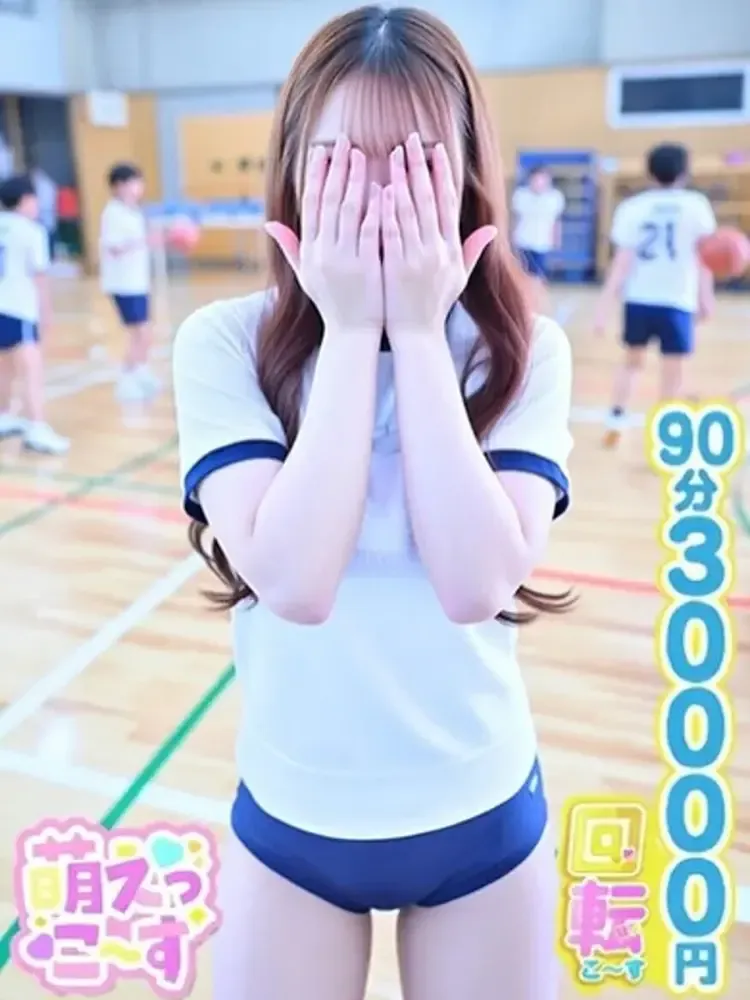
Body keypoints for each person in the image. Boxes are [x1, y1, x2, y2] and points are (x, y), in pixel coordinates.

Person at [173, 7, 574, 1000]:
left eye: (417, 165)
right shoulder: (224, 343)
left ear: (466, 174)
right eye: (344, 163)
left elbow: (478, 584)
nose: (380, 197)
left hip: (478, 810)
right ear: (294, 170)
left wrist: (422, 335)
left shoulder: (523, 353)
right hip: (294, 818)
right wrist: (352, 332)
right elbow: (295, 582)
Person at [594, 142, 716, 448]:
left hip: (639, 298)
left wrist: (603, 306)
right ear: (685, 172)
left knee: (631, 362)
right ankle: (667, 435)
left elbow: (621, 263)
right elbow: (705, 259)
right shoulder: (696, 206)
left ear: (648, 172)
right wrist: (707, 297)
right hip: (677, 300)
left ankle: (616, 420)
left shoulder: (633, 208)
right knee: (673, 371)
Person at [0, 174, 69, 454]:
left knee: (4, 365)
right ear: (25, 200)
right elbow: (40, 276)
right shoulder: (31, 231)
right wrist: (46, 313)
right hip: (19, 308)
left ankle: (3, 414)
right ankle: (37, 428)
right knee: (32, 370)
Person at [99, 163, 159, 402]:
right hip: (123, 284)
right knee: (140, 332)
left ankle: (140, 373)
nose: (138, 188)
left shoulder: (133, 211)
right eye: (134, 182)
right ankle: (127, 378)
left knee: (144, 332)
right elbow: (114, 247)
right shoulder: (113, 213)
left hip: (137, 281)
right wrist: (145, 240)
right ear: (119, 186)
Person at [511, 165, 565, 284]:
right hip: (523, 241)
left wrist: (557, 243)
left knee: (539, 275)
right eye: (536, 179)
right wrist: (511, 239)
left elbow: (556, 222)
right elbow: (514, 219)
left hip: (543, 242)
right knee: (524, 274)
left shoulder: (555, 197)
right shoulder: (521, 195)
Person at [30, 164, 58, 261]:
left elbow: (44, 204)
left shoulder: (43, 186)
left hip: (45, 220)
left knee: (47, 245)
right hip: (48, 220)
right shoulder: (48, 184)